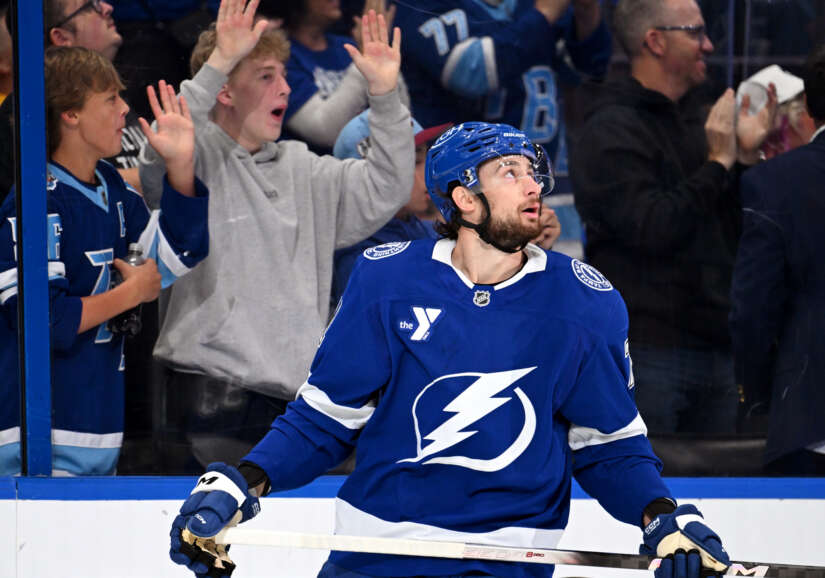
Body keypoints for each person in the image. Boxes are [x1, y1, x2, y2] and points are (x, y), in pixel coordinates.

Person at [168, 122, 731, 578]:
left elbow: (608, 448)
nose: (533, 186)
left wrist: (662, 517)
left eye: (532, 172)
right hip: (375, 556)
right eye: (509, 172)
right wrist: (241, 482)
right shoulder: (386, 281)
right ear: (464, 199)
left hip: (507, 565)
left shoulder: (586, 303)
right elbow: (324, 419)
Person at [138, 0, 414, 472]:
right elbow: (163, 150)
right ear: (225, 91)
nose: (285, 87)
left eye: (284, 75)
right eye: (266, 76)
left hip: (293, 404)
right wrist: (219, 61)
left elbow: (387, 186)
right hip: (205, 399)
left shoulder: (305, 168)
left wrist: (385, 95)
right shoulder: (195, 156)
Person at [0, 46, 209, 476]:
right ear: (70, 113)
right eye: (111, 98)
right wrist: (131, 293)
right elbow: (42, 321)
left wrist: (180, 166)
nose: (125, 109)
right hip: (37, 437)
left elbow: (175, 256)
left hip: (99, 430)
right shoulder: (34, 201)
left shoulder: (113, 188)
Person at [570, 0, 776, 436]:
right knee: (648, 475)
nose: (709, 45)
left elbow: (739, 230)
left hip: (718, 344)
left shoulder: (704, 121)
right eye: (694, 32)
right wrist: (718, 164)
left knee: (728, 479)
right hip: (651, 350)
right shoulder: (609, 128)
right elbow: (652, 227)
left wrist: (746, 160)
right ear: (655, 41)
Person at [729, 43, 825, 475]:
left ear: (809, 108)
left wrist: (758, 397)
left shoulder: (776, 182)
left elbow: (753, 311)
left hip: (811, 420)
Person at [329, 109, 450, 308]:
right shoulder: (361, 261)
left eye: (426, 158)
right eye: (414, 163)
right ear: (368, 176)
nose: (429, 173)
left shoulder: (430, 230)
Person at [272, 0, 408, 154]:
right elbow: (324, 132)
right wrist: (365, 60)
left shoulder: (346, 46)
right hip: (321, 165)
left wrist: (383, 61)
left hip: (378, 157)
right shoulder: (281, 57)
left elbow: (403, 118)